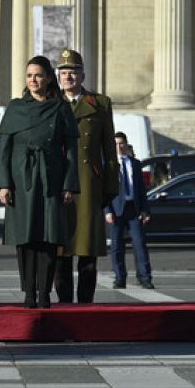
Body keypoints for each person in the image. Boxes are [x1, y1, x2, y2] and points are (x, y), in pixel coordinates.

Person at [0, 55, 80, 308]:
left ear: (48, 78)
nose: (33, 80)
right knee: (25, 237)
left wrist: (69, 184)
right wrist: (4, 184)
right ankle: (28, 292)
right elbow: (4, 150)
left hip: (51, 178)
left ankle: (44, 292)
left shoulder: (61, 108)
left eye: (38, 75)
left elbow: (72, 150)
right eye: (29, 75)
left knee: (49, 237)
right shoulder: (15, 107)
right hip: (21, 179)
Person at [53, 49, 118, 304]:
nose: (68, 76)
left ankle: (85, 305)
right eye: (64, 72)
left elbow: (109, 150)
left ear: (82, 74)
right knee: (61, 250)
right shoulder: (51, 101)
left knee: (87, 249)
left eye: (73, 71)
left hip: (88, 184)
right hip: (58, 183)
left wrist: (111, 186)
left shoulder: (99, 103)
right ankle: (65, 304)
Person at [108, 132, 152, 291]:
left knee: (139, 243)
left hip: (134, 208)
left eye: (121, 143)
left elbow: (141, 189)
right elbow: (105, 190)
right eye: (116, 144)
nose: (119, 147)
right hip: (116, 209)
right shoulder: (109, 164)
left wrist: (145, 209)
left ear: (126, 144)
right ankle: (120, 278)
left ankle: (145, 277)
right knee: (116, 246)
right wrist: (107, 210)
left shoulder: (135, 163)